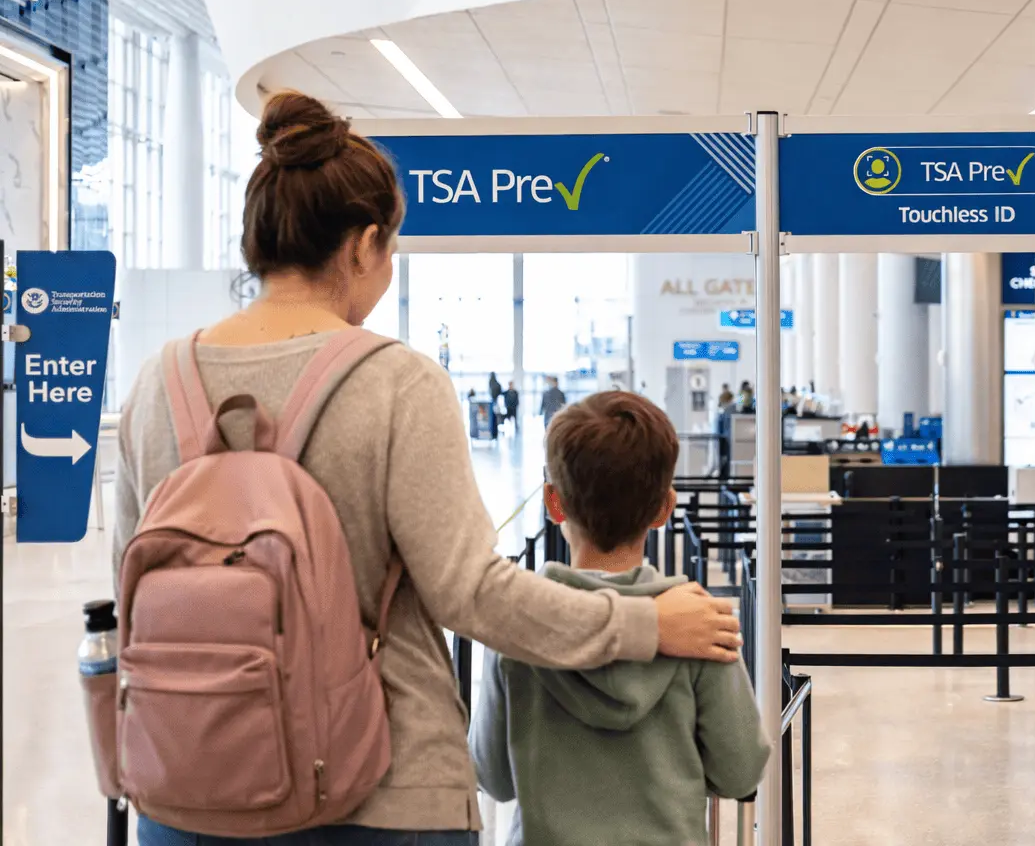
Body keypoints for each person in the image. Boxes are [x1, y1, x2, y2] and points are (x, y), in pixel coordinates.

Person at [114, 92, 741, 846]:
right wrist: (644, 622)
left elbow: (132, 582)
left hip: (188, 779)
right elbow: (472, 594)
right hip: (377, 791)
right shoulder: (394, 381)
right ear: (364, 244)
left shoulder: (158, 382)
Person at [470, 392, 769, 846]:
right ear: (664, 509)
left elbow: (492, 777)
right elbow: (741, 769)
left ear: (554, 503)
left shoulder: (518, 623)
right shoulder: (699, 622)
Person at [488, 372, 504, 438]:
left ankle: (494, 432)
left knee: (495, 418)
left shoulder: (492, 384)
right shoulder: (496, 384)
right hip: (494, 403)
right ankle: (494, 432)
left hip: (494, 403)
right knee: (495, 418)